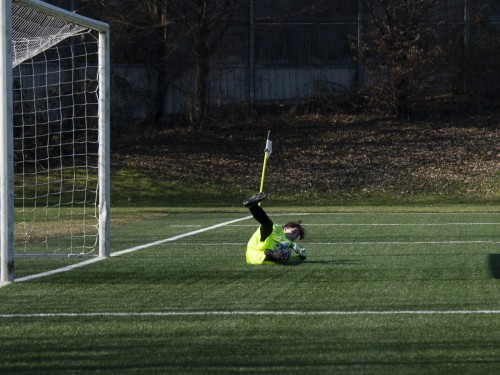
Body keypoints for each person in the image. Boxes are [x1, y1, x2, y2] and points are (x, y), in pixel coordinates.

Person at [243, 191, 306, 265]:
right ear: (286, 228)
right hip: (256, 249)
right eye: (294, 232)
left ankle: (272, 255)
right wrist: (291, 244)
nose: (294, 236)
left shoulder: (285, 246)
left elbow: (291, 259)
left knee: (284, 254)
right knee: (268, 225)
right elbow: (273, 234)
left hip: (259, 258)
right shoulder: (278, 228)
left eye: (297, 235)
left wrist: (302, 256)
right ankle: (253, 206)